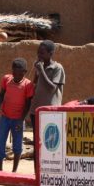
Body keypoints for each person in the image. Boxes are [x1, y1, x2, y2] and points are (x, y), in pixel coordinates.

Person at [29, 40, 66, 171]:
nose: (39, 55)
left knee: (49, 143)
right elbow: (35, 85)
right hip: (36, 110)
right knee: (36, 142)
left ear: (50, 54)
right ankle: (37, 172)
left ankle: (50, 171)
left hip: (50, 112)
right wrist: (37, 73)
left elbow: (52, 88)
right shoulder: (40, 67)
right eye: (38, 52)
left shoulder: (57, 68)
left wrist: (42, 71)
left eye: (42, 53)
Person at [0, 58, 34, 172]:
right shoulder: (6, 79)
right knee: (0, 143)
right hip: (5, 117)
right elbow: (1, 94)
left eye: (19, 73)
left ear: (25, 72)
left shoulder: (28, 85)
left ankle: (14, 171)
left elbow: (28, 104)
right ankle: (0, 170)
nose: (16, 76)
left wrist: (21, 120)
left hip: (18, 119)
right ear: (12, 71)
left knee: (17, 145)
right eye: (14, 73)